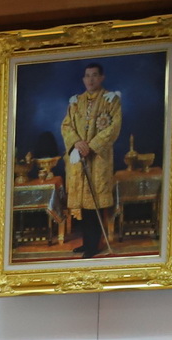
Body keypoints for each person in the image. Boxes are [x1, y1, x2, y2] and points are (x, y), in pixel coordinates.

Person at [62, 62, 121, 258]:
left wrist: (92, 146)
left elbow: (113, 127)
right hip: (79, 158)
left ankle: (94, 245)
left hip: (98, 159)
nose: (91, 79)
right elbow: (66, 126)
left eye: (94, 75)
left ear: (101, 77)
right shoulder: (75, 102)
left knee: (94, 204)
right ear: (83, 79)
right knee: (84, 205)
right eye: (87, 76)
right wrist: (77, 143)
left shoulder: (110, 100)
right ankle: (87, 243)